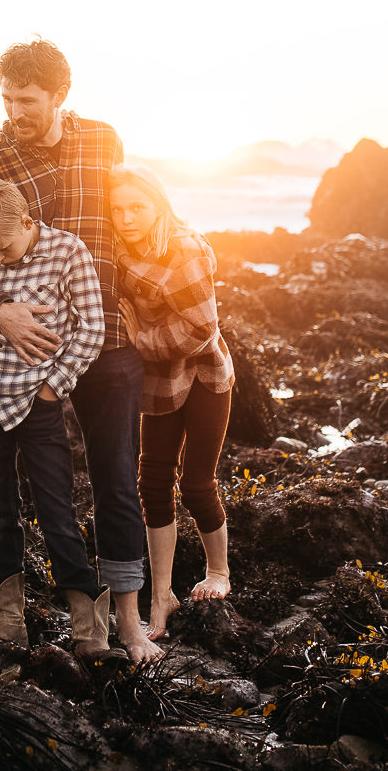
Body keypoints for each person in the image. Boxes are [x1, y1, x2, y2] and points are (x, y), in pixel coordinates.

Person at [0, 37, 164, 663]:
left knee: (116, 480)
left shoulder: (102, 142)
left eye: (27, 100)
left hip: (103, 336)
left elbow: (133, 219)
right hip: (11, 355)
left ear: (60, 95)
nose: (14, 111)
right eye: (6, 98)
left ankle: (128, 622)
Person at [0, 177, 119, 659]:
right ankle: (8, 620)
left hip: (38, 406)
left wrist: (51, 388)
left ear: (27, 221)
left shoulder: (68, 252)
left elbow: (93, 327)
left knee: (57, 512)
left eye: (4, 248)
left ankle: (90, 630)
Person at [109, 163, 236, 639]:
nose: (126, 217)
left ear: (158, 204)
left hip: (205, 378)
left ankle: (219, 571)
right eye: (117, 209)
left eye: (137, 207)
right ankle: (161, 596)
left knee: (198, 483)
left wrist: (142, 337)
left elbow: (202, 330)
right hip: (160, 384)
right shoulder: (117, 250)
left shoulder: (182, 250)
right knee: (153, 483)